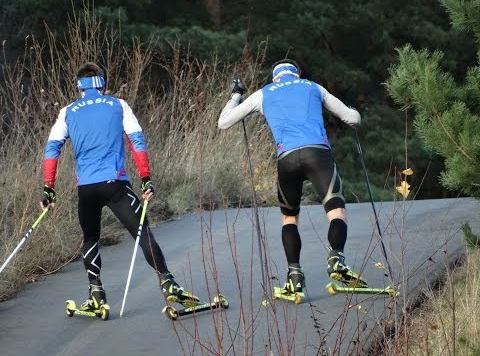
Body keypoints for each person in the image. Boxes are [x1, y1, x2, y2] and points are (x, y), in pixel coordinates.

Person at [41, 62, 199, 310]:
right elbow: (137, 140)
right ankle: (169, 284)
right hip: (115, 185)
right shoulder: (118, 105)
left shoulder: (67, 111)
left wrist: (48, 188)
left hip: (87, 189)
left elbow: (52, 149)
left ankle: (96, 294)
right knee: (142, 232)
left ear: (79, 87)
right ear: (102, 83)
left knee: (91, 237)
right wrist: (146, 177)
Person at [218, 59, 366, 295]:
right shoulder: (313, 87)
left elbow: (223, 123)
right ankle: (336, 259)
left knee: (289, 219)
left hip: (286, 159)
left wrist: (236, 95)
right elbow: (352, 119)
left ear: (275, 77)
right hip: (318, 155)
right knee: (336, 211)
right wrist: (356, 111)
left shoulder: (262, 94)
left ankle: (294, 275)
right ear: (297, 74)